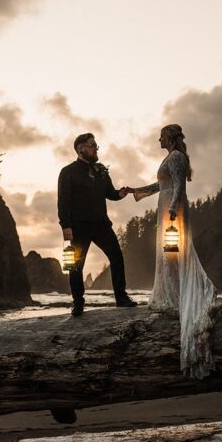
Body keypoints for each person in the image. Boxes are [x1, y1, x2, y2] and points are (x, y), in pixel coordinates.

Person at [128, 124, 218, 379]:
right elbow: (161, 186)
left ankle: (177, 298)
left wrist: (173, 210)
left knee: (173, 253)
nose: (158, 139)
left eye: (162, 136)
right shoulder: (170, 158)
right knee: (167, 255)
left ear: (169, 138)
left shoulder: (177, 157)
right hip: (166, 204)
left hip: (172, 209)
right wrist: (136, 192)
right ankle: (171, 295)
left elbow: (179, 186)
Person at [57, 133, 138, 316]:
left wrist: (121, 193)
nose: (96, 149)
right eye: (92, 146)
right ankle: (78, 303)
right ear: (81, 149)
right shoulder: (68, 172)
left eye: (96, 146)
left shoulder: (101, 170)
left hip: (101, 224)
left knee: (116, 257)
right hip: (79, 226)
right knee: (76, 266)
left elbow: (110, 193)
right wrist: (65, 226)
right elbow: (63, 201)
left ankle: (121, 298)